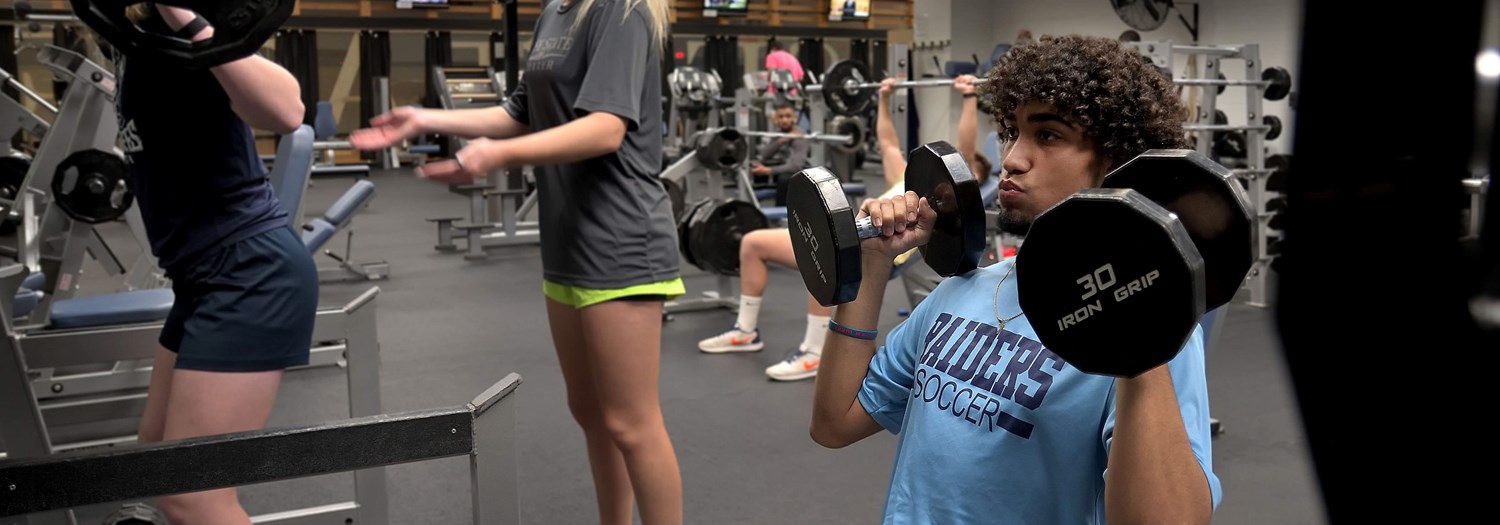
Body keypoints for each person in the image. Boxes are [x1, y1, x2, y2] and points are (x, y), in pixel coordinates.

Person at [808, 35, 1220, 524]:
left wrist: (1136, 336)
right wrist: (873, 264)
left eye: (1047, 135)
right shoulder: (957, 294)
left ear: (1115, 161)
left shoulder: (1151, 331)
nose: (1012, 159)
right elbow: (835, 423)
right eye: (1010, 131)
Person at [351, 1, 683, 524]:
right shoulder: (556, 11)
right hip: (566, 241)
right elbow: (519, 111)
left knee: (631, 424)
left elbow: (606, 128)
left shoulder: (623, 9)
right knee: (593, 416)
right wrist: (425, 118)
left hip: (622, 240)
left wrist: (498, 155)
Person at [112, 4, 317, 524]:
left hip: (250, 272)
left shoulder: (183, 32)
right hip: (199, 275)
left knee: (193, 495)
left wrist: (187, 15)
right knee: (158, 455)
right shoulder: (130, 41)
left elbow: (288, 110)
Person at [698, 74, 992, 382]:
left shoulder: (949, 206)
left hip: (878, 250)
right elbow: (888, 143)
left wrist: (969, 97)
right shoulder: (904, 183)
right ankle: (745, 331)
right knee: (753, 243)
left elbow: (965, 152)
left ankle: (813, 352)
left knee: (828, 255)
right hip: (851, 230)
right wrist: (882, 97)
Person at [751, 100, 811, 206]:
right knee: (755, 167)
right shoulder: (778, 134)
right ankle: (756, 208)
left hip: (800, 172)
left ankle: (782, 214)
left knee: (784, 179)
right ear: (776, 119)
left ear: (794, 118)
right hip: (783, 168)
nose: (784, 120)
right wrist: (780, 141)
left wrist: (768, 171)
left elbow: (796, 166)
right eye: (781, 117)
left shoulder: (799, 136)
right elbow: (764, 155)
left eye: (788, 116)